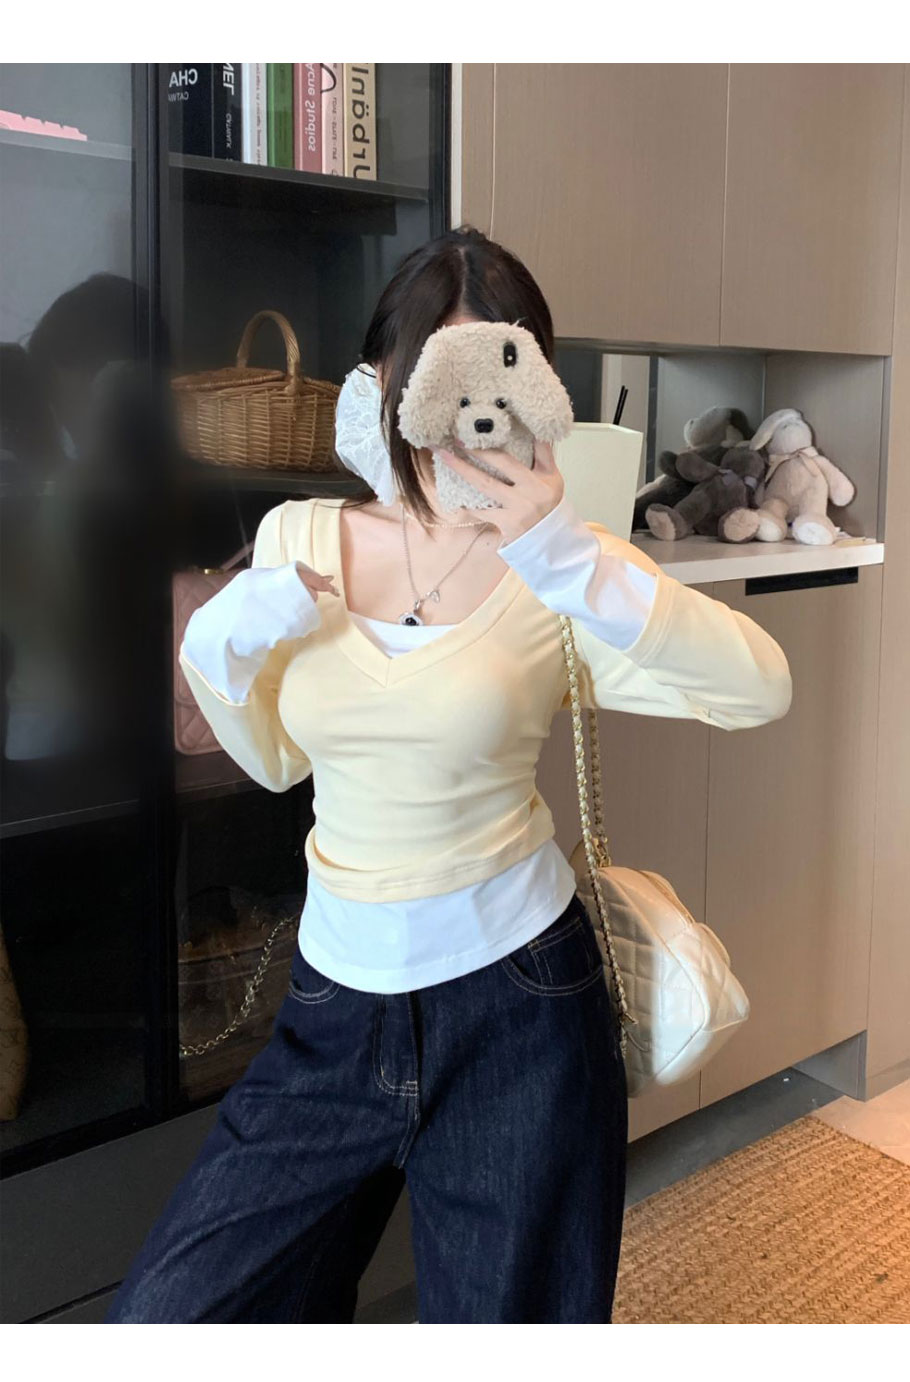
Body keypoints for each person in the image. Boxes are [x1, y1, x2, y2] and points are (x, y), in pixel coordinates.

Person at [106, 225, 792, 1325]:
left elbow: (759, 687)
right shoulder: (298, 537)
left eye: (498, 370)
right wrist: (220, 652)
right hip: (330, 1012)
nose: (468, 410)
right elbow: (273, 758)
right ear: (383, 382)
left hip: (520, 1011)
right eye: (438, 370)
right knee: (172, 1316)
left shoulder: (557, 567)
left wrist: (570, 559)